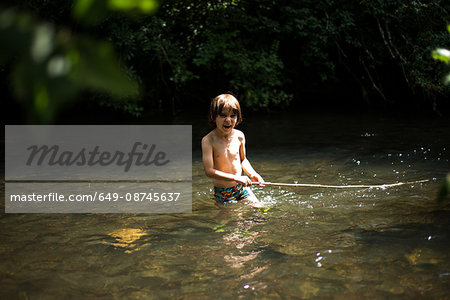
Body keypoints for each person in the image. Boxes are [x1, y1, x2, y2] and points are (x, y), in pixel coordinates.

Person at [201, 94, 266, 208]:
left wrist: (252, 174)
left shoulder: (239, 136)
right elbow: (209, 171)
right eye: (223, 115)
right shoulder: (208, 140)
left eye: (233, 116)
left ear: (238, 117)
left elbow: (243, 160)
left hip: (240, 188)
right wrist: (236, 178)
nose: (228, 120)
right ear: (213, 116)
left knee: (260, 208)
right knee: (231, 219)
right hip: (222, 191)